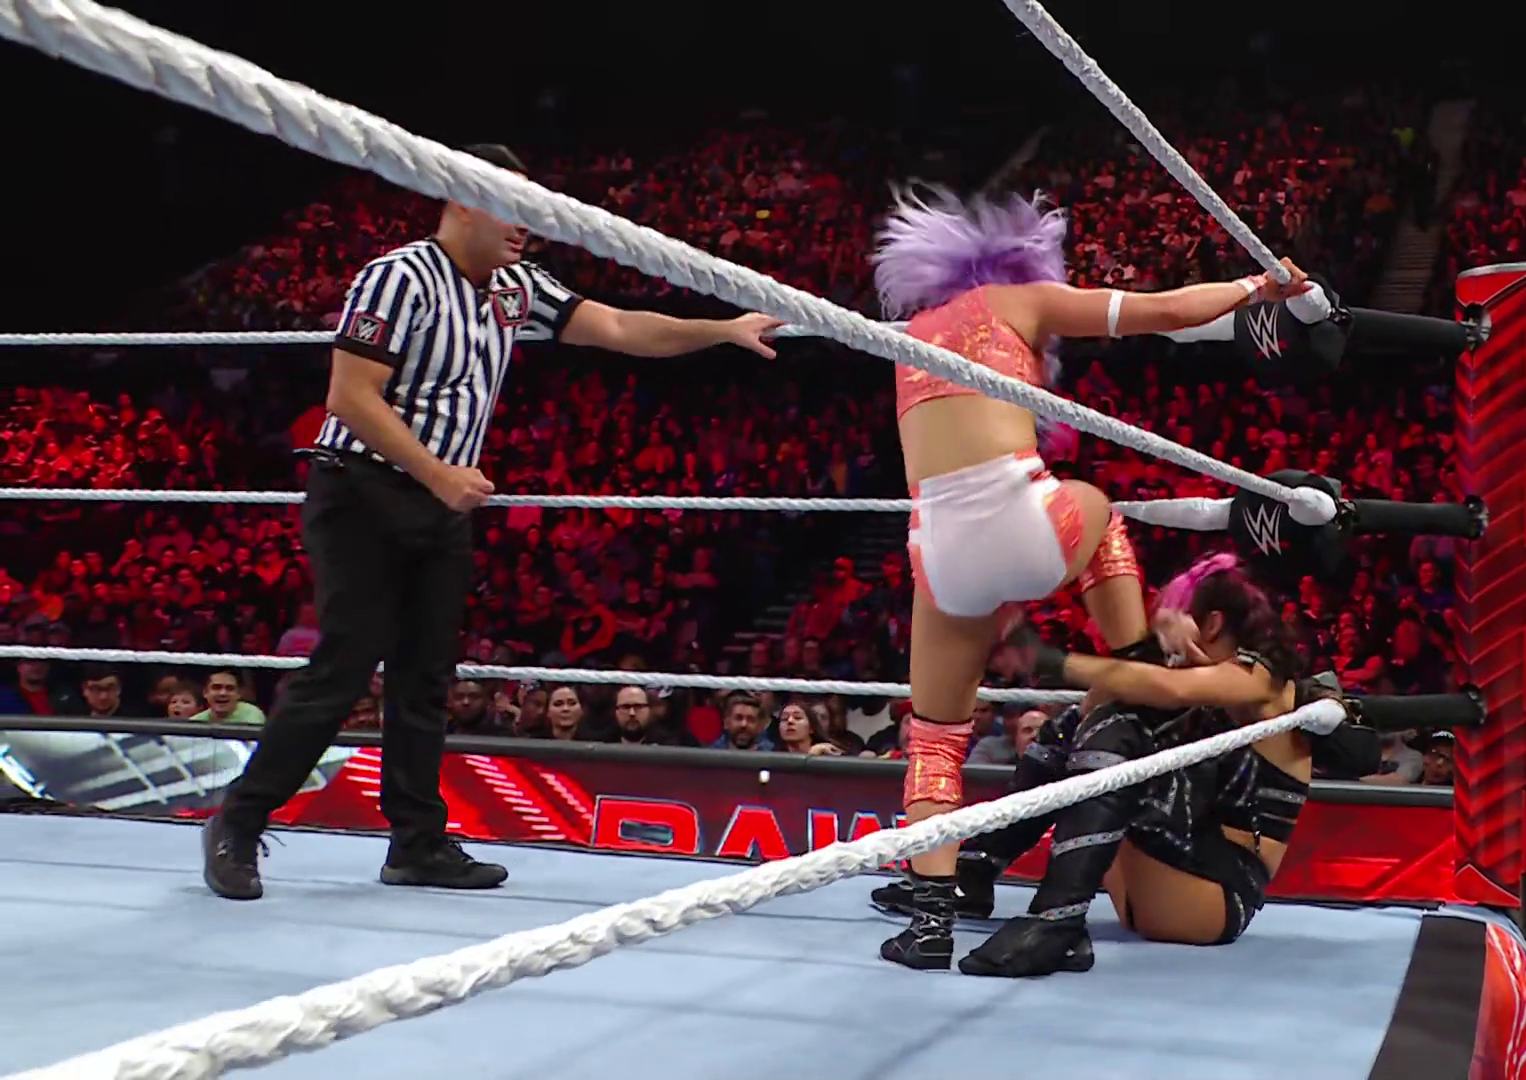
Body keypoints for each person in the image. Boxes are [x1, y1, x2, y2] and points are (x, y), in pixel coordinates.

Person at [201, 143, 786, 902]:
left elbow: (616, 326)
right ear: (460, 199)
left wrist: (721, 329)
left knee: (426, 677)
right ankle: (239, 820)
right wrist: (438, 472)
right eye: (511, 206)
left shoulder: (517, 286)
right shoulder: (397, 277)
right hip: (362, 491)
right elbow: (350, 396)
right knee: (345, 663)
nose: (525, 224)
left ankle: (416, 842)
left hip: (443, 499)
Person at [871, 185, 1324, 970]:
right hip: (1025, 517)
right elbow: (1166, 312)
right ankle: (1136, 666)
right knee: (1100, 509)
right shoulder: (1020, 299)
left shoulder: (912, 334)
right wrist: (1259, 285)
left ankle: (931, 922)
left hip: (936, 548)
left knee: (935, 741)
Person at [876, 554, 1365, 976]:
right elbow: (1097, 704)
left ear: (1212, 624)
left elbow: (1164, 689)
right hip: (1162, 880)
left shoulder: (1266, 683)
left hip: (1212, 894)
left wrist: (1045, 658)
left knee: (1120, 723)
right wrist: (1157, 649)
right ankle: (978, 872)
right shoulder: (1203, 686)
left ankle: (1057, 921)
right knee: (1078, 724)